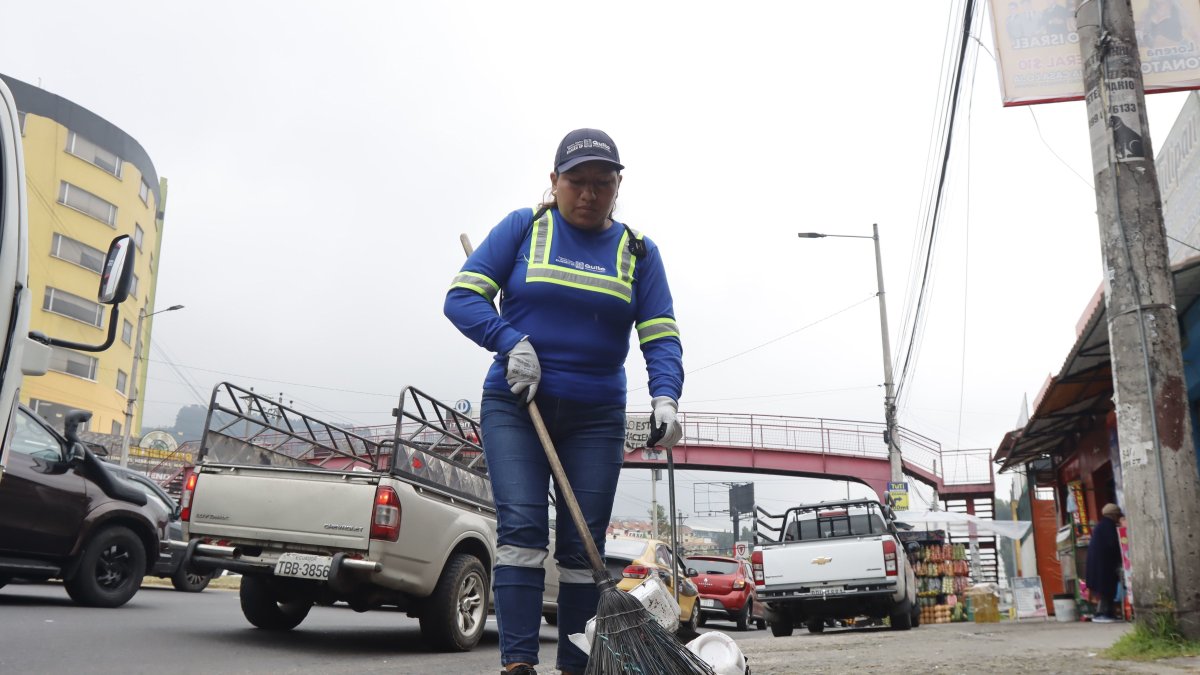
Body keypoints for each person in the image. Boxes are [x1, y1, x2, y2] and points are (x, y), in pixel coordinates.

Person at [444, 128, 684, 675]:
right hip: (516, 406)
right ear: (554, 182)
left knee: (583, 550)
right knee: (523, 531)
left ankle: (576, 667)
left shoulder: (638, 252)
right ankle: (518, 665)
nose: (589, 194)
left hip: (596, 417)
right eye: (577, 182)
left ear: (618, 186)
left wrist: (666, 396)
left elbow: (660, 334)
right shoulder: (523, 228)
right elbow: (462, 298)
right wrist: (511, 342)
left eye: (603, 183)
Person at [1086, 502, 1123, 622]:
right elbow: (1114, 545)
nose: (1118, 518)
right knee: (1107, 590)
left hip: (1098, 565)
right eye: (1117, 516)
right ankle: (1105, 613)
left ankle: (1103, 612)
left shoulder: (1101, 525)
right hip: (1104, 566)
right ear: (1113, 515)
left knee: (1104, 590)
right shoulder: (1109, 526)